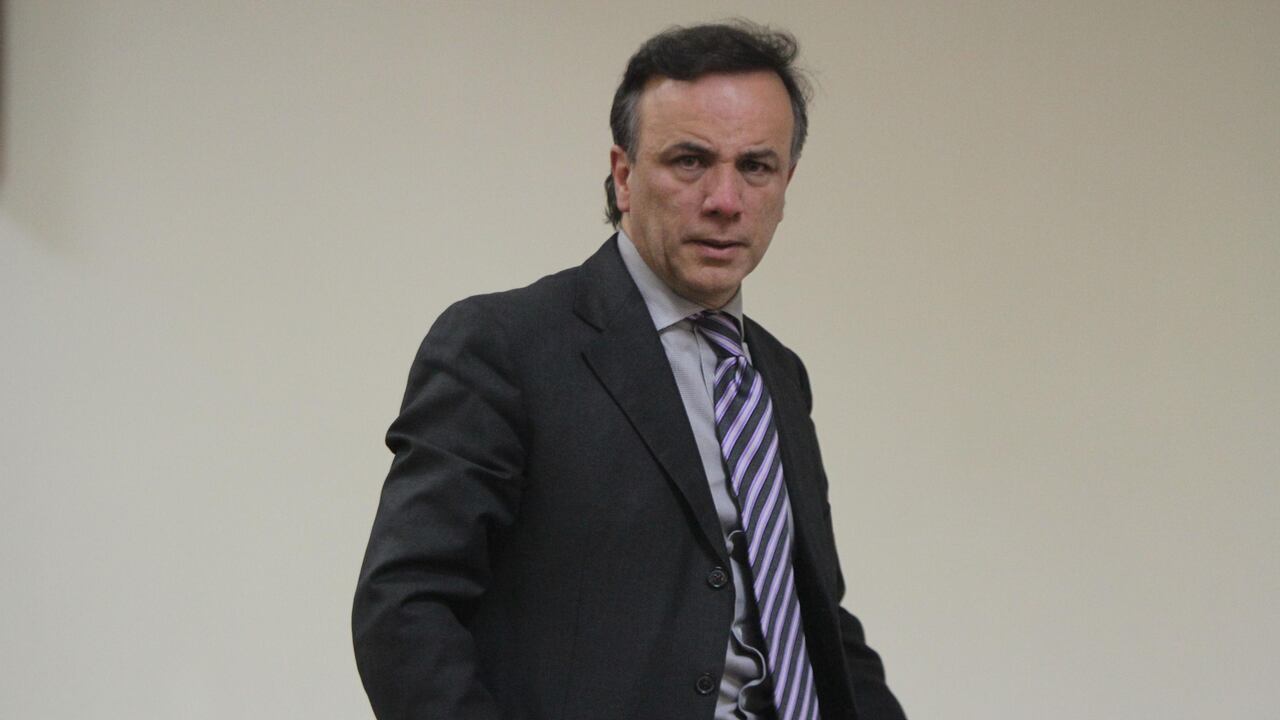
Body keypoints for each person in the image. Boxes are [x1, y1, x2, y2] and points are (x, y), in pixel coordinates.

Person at [353, 22, 906, 720]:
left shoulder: (780, 375)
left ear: (786, 183)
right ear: (623, 175)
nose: (725, 199)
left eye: (755, 167)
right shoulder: (504, 347)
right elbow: (405, 610)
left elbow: (814, 616)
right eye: (690, 161)